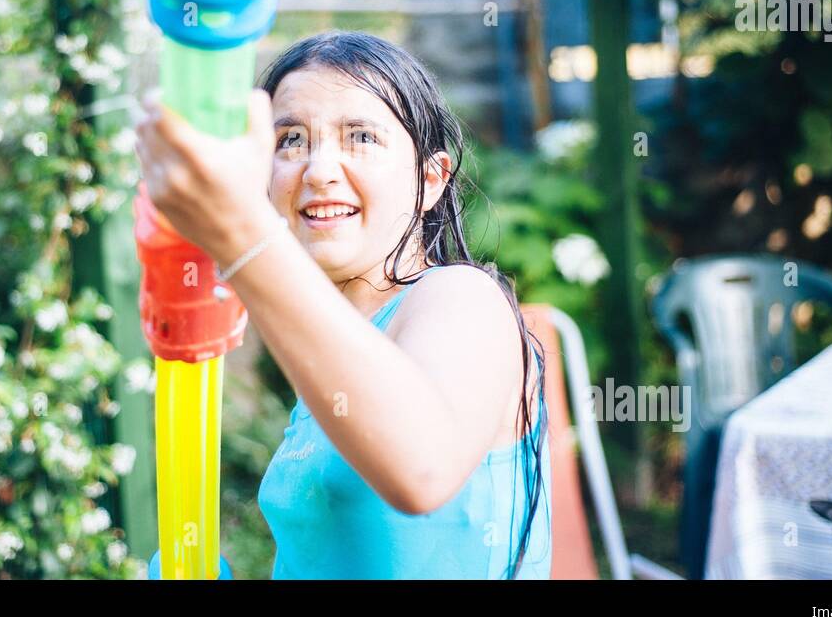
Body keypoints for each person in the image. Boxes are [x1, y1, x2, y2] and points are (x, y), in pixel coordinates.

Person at [135, 29, 551, 579]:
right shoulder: (333, 355)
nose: (318, 170)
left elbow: (421, 468)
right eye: (290, 140)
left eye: (360, 137)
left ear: (431, 180)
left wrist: (242, 237)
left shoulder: (461, 298)